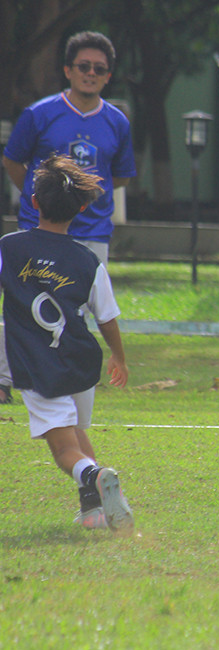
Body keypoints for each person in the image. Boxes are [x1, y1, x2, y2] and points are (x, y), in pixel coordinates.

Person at [0, 30, 136, 404]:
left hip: (91, 232)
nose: (90, 73)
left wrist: (83, 201)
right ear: (68, 70)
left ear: (108, 75)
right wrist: (39, 204)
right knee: (20, 303)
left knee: (84, 312)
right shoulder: (39, 114)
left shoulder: (117, 122)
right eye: (83, 66)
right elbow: (13, 160)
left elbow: (120, 175)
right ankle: (6, 376)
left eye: (99, 68)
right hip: (38, 227)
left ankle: (68, 377)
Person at [0, 154, 133, 533]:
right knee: (75, 431)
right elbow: (106, 317)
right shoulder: (87, 260)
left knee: (64, 451)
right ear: (82, 208)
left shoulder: (10, 248)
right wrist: (119, 358)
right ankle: (93, 512)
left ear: (34, 201)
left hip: (39, 367)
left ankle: (94, 475)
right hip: (79, 362)